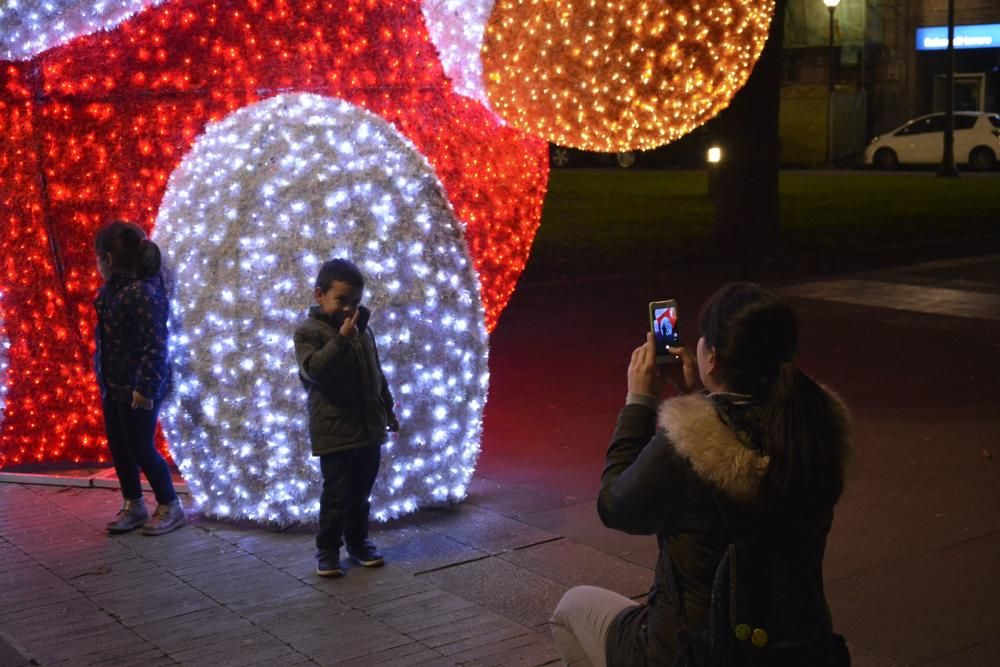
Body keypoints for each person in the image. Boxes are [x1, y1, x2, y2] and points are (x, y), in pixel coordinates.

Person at [550, 283, 853, 666]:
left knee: (572, 609)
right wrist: (700, 397)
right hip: (797, 648)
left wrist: (639, 402)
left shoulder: (685, 448)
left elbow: (615, 505)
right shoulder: (813, 433)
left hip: (699, 654)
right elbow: (745, 432)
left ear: (712, 359)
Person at [294, 258, 399, 578]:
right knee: (336, 493)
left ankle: (358, 542)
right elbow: (314, 372)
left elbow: (375, 373)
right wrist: (341, 339)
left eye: (355, 302)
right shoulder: (309, 332)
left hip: (368, 426)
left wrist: (387, 408)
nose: (348, 309)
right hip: (335, 428)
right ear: (320, 295)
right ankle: (327, 549)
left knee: (361, 492)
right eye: (341, 300)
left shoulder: (363, 332)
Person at [95, 220, 185, 536]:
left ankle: (170, 504)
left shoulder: (143, 293)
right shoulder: (110, 292)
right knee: (120, 447)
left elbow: (155, 344)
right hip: (114, 385)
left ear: (106, 258)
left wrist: (145, 387)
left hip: (137, 389)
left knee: (140, 448)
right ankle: (134, 504)